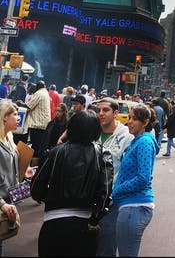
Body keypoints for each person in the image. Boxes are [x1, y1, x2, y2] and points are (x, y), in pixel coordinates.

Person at [30, 109, 113, 258]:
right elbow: (105, 192)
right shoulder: (102, 154)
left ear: (72, 127)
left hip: (53, 221)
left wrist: (48, 197)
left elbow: (36, 187)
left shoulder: (55, 152)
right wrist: (94, 219)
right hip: (85, 223)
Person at [111, 104, 159, 258]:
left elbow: (143, 178)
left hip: (134, 206)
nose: (129, 122)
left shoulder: (144, 142)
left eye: (134, 119)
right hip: (132, 206)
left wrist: (117, 190)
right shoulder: (138, 140)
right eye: (129, 118)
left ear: (145, 122)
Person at [95, 97, 133, 258]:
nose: (101, 114)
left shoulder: (126, 137)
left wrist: (118, 192)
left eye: (105, 110)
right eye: (98, 110)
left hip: (112, 199)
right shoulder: (92, 132)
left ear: (115, 113)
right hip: (90, 197)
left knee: (107, 242)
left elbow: (129, 170)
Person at [0, 99, 20, 257]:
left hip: (7, 200)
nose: (18, 117)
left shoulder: (9, 139)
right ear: (4, 117)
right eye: (15, 114)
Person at [23, 79, 52, 156]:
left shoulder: (39, 93)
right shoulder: (45, 92)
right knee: (39, 145)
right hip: (43, 124)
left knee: (35, 145)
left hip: (37, 124)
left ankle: (33, 162)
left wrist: (20, 104)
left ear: (37, 87)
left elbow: (29, 106)